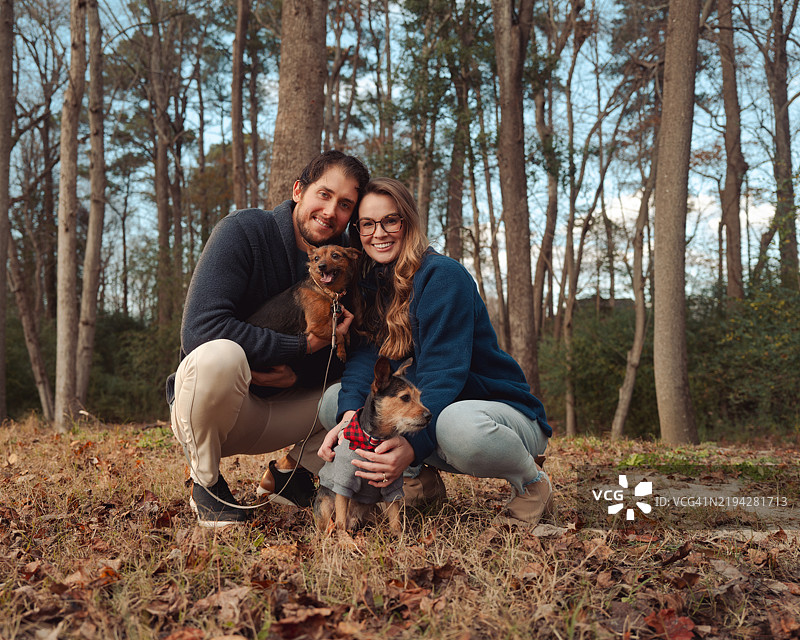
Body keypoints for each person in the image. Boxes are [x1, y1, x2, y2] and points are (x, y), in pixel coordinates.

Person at [318, 177, 553, 526]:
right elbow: (367, 359)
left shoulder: (443, 277)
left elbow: (444, 374)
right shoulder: (375, 284)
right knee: (338, 403)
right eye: (367, 224)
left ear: (408, 222)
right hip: (438, 412)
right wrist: (350, 417)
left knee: (458, 428)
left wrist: (412, 445)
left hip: (498, 415)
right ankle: (418, 481)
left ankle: (532, 483)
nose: (378, 233)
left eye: (390, 221)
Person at [166, 150, 370, 528]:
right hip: (217, 408)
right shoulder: (243, 232)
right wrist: (301, 347)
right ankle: (207, 484)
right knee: (220, 356)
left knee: (363, 380)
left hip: (286, 409)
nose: (330, 212)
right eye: (323, 195)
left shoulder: (347, 264)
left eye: (345, 204)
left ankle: (293, 475)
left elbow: (349, 354)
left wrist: (298, 376)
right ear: (298, 190)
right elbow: (200, 331)